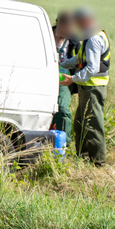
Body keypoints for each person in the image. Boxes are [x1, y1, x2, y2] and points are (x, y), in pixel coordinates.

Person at [60, 7, 110, 166]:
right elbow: (79, 58)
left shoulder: (93, 39)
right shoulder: (90, 36)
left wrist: (72, 79)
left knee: (93, 125)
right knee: (80, 123)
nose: (76, 26)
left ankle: (98, 162)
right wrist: (62, 64)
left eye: (78, 22)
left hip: (93, 88)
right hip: (87, 87)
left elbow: (92, 68)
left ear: (85, 20)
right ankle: (83, 157)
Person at [51, 11, 76, 139]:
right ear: (59, 23)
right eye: (67, 27)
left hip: (63, 81)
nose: (69, 31)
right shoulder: (46, 34)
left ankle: (64, 143)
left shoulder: (73, 41)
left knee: (62, 109)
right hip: (45, 78)